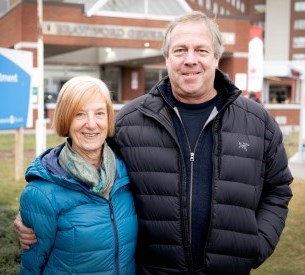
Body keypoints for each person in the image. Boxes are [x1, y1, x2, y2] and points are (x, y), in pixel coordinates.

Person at [15, 11, 293, 275]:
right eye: (180, 50)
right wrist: (37, 212)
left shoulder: (257, 122)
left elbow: (277, 189)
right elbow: (83, 167)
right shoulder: (131, 120)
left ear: (217, 57)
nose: (190, 59)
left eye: (201, 50)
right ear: (167, 57)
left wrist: (256, 245)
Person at [16, 76, 137, 274]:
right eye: (79, 114)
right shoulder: (42, 192)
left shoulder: (127, 173)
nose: (91, 124)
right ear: (66, 119)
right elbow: (32, 267)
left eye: (99, 113)